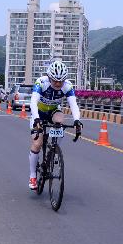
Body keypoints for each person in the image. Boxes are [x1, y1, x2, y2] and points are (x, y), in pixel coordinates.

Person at [28, 60, 83, 190]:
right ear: (49, 77)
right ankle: (32, 176)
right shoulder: (41, 82)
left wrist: (77, 120)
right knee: (37, 143)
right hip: (39, 112)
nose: (58, 84)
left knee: (60, 121)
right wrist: (36, 119)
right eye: (55, 81)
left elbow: (73, 104)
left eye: (61, 81)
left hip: (53, 110)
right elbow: (33, 102)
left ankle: (54, 149)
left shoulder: (67, 86)